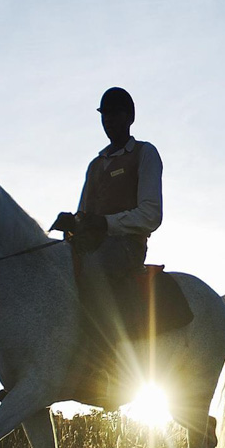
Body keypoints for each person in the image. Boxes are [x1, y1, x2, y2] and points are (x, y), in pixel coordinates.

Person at [51, 87, 163, 336]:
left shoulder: (145, 153)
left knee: (94, 272)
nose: (108, 120)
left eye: (114, 114)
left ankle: (104, 352)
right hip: (89, 245)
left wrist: (105, 223)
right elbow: (84, 215)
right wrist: (73, 223)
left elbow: (151, 215)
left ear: (129, 118)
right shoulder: (95, 165)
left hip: (125, 246)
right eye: (104, 115)